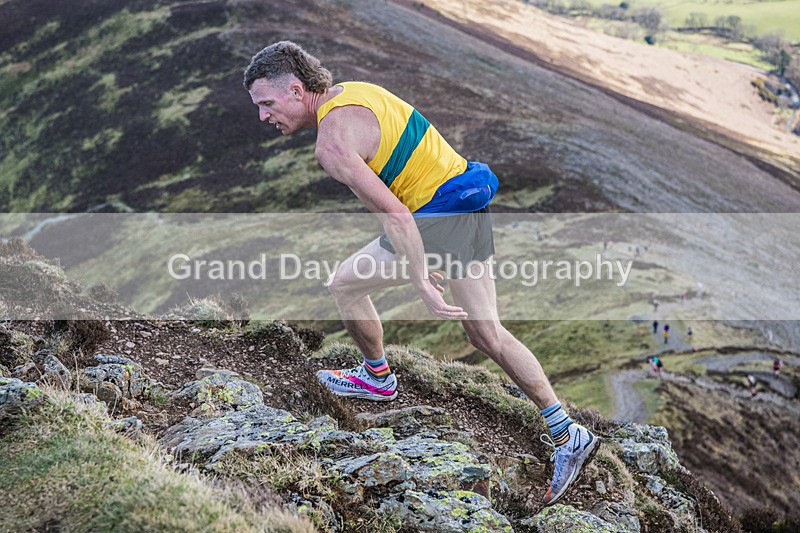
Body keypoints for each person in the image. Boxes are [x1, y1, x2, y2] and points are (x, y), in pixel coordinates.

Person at [243, 41, 598, 506]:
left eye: (267, 103)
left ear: (296, 89)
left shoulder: (331, 144)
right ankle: (566, 432)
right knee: (486, 335)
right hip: (468, 198)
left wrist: (420, 279)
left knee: (344, 284)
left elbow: (397, 216)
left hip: (435, 219)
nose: (264, 116)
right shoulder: (356, 91)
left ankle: (376, 377)